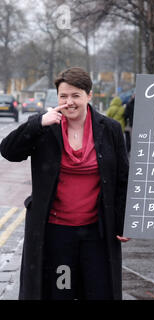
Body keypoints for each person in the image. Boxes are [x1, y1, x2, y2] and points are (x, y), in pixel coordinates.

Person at [0, 67, 130, 300]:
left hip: (96, 235)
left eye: (76, 95)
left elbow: (122, 180)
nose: (69, 102)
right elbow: (9, 151)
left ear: (89, 96)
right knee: (61, 291)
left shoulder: (109, 129)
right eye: (63, 96)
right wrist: (37, 123)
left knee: (99, 292)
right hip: (57, 235)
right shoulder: (45, 127)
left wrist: (124, 222)